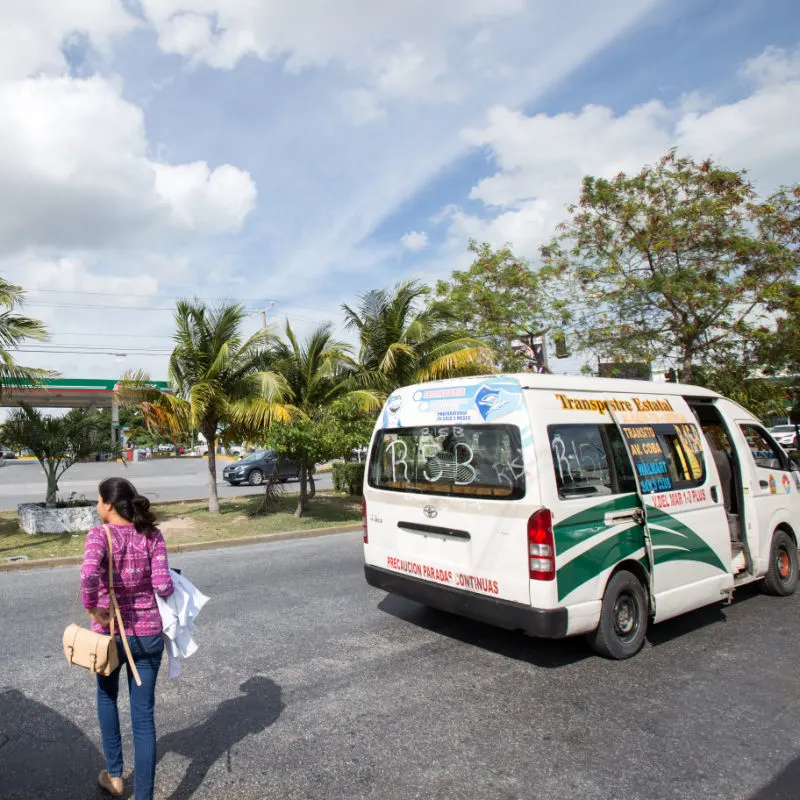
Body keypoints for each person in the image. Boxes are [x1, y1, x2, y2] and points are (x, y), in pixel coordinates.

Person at [81, 477, 174, 800]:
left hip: (111, 637)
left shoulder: (99, 535)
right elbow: (163, 586)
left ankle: (116, 776)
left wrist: (93, 607)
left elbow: (88, 573)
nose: (97, 507)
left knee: (107, 698)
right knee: (143, 717)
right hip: (148, 636)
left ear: (108, 505)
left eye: (97, 501)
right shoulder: (152, 534)